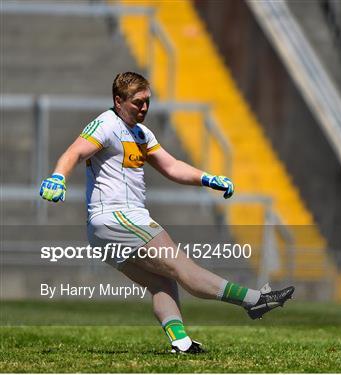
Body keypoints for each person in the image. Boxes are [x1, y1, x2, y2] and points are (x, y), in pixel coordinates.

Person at [39, 72, 295, 354]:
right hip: (118, 218)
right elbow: (74, 152)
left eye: (147, 101)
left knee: (163, 282)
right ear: (118, 100)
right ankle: (255, 300)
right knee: (184, 269)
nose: (144, 108)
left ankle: (181, 343)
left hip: (105, 229)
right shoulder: (106, 124)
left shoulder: (141, 133)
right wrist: (58, 177)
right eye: (137, 102)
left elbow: (171, 166)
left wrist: (208, 178)